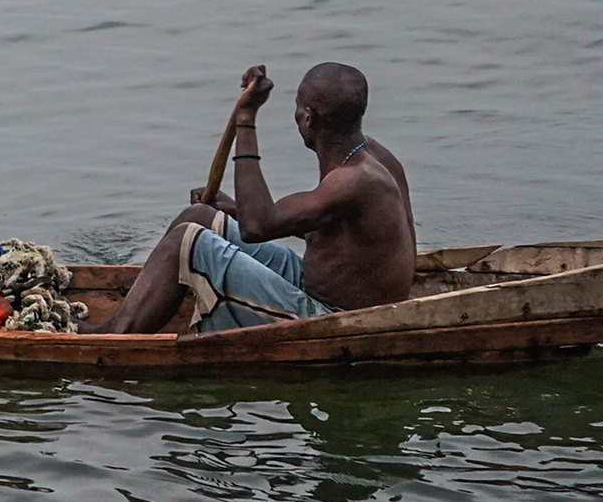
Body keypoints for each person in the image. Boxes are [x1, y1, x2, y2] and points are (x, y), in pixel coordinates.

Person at [82, 62, 414, 335]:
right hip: (321, 286)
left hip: (336, 318)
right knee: (198, 217)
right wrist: (233, 209)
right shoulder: (373, 157)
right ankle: (133, 311)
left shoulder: (352, 180)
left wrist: (246, 119)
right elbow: (329, 231)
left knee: (187, 241)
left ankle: (111, 337)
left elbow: (258, 227)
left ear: (308, 119)